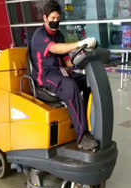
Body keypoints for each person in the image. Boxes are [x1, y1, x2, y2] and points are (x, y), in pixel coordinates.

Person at [30, 0, 98, 150]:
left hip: (60, 72)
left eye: (57, 18)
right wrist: (79, 43)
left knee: (87, 81)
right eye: (52, 18)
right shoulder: (39, 35)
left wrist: (79, 58)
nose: (55, 21)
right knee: (70, 86)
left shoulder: (59, 35)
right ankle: (82, 137)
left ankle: (87, 120)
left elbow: (66, 60)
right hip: (45, 77)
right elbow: (56, 49)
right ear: (45, 18)